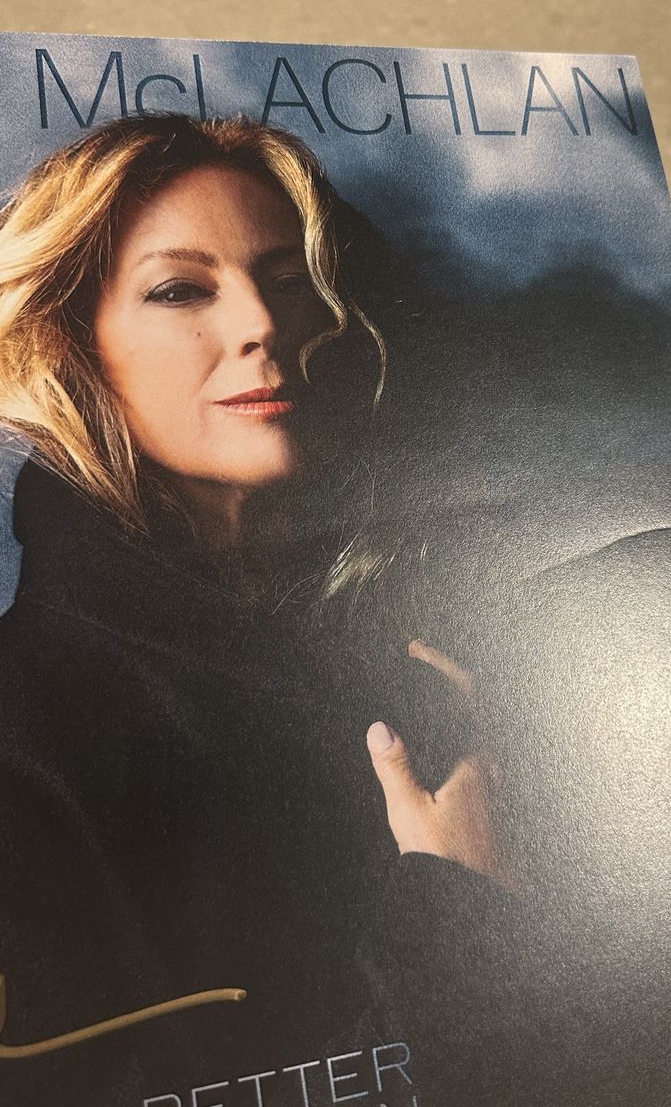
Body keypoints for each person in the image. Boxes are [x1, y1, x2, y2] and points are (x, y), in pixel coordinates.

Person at [0, 115, 534, 1107]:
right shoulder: (25, 729)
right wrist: (454, 909)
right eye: (180, 290)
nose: (261, 324)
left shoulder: (434, 646)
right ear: (71, 342)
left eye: (290, 280)